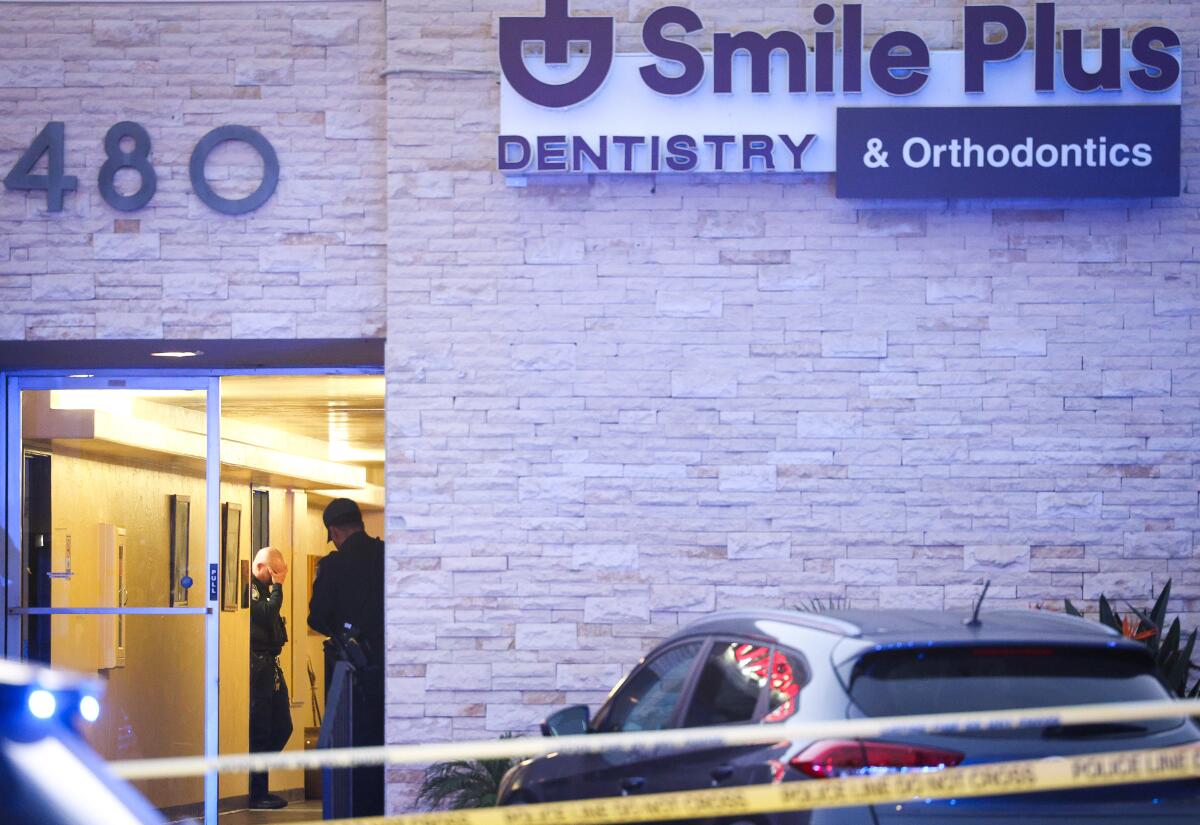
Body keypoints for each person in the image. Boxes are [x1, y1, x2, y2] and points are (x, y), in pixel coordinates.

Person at [308, 498, 385, 816]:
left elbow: (317, 618)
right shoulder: (385, 555)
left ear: (335, 531)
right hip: (386, 671)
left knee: (348, 749)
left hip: (351, 673)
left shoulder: (334, 565)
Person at [248, 546, 293, 810]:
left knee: (283, 726)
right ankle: (257, 790)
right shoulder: (252, 588)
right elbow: (265, 613)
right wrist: (278, 587)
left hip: (272, 665)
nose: (278, 579)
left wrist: (274, 587)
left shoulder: (265, 589)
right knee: (261, 730)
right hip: (258, 667)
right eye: (275, 573)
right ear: (261, 567)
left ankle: (258, 775)